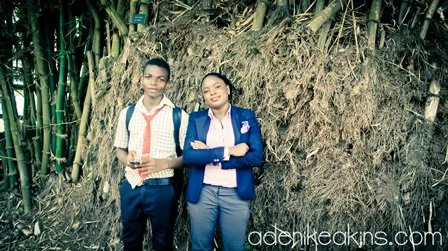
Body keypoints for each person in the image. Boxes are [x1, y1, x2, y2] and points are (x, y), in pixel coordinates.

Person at [113, 58, 188, 251]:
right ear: (141, 80)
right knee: (130, 239)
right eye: (149, 77)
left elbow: (189, 157)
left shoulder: (178, 116)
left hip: (162, 189)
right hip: (132, 186)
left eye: (160, 79)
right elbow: (119, 149)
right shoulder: (127, 113)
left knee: (163, 241)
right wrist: (127, 160)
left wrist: (166, 163)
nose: (154, 83)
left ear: (167, 83)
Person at [183, 72, 263, 251]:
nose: (212, 92)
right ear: (203, 96)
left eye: (217, 87)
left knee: (234, 247)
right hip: (203, 192)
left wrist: (212, 156)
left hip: (235, 192)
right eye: (206, 90)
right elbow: (189, 156)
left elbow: (256, 156)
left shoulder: (246, 116)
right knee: (200, 246)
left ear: (227, 89)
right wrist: (229, 151)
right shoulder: (196, 119)